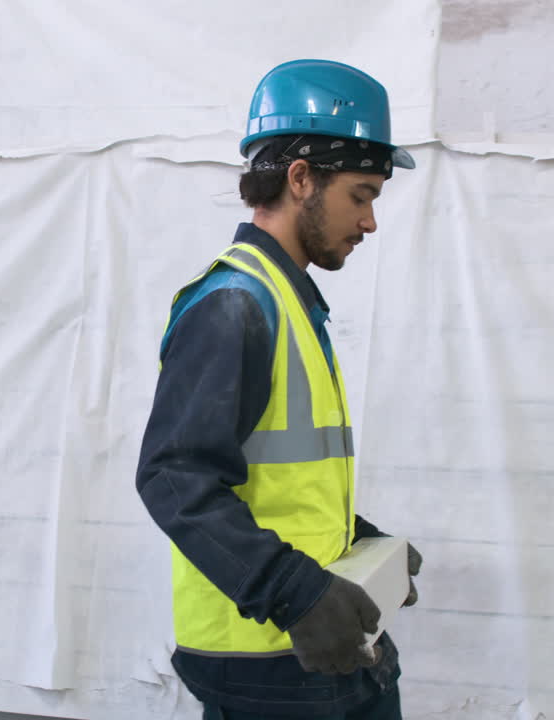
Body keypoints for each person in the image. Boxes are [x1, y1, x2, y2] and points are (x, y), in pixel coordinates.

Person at [135, 59, 423, 720]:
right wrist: (295, 591)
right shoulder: (235, 305)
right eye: (362, 193)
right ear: (301, 179)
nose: (371, 220)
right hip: (269, 660)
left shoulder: (287, 304)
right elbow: (173, 476)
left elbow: (279, 481)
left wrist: (362, 543)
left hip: (309, 643)